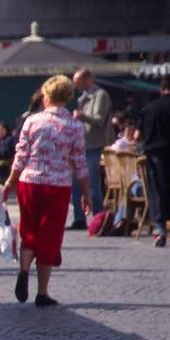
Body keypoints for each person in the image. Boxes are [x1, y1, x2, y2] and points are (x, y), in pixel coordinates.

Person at [3, 75, 89, 306]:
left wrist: (10, 182)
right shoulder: (75, 126)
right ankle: (42, 291)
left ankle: (23, 269)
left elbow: (20, 155)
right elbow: (80, 162)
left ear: (47, 96)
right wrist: (87, 193)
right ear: (68, 97)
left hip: (30, 182)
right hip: (58, 185)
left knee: (28, 229)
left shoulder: (32, 121)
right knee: (49, 236)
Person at [71, 68, 113, 227]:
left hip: (95, 145)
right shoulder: (82, 98)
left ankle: (98, 218)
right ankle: (79, 219)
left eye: (77, 82)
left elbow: (99, 120)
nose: (75, 86)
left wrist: (82, 116)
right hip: (82, 145)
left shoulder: (100, 95)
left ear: (87, 79)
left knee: (92, 183)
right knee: (75, 183)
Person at [139, 76, 170, 247]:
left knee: (156, 191)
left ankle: (159, 228)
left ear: (161, 89)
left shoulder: (148, 109)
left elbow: (139, 135)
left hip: (154, 154)